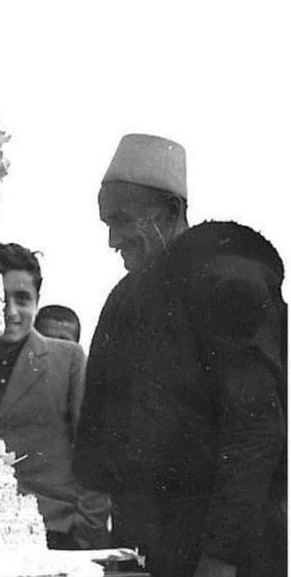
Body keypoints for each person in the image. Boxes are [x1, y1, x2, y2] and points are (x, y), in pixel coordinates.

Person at [73, 134, 286, 576]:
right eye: (105, 223)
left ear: (170, 212)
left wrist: (220, 558)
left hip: (224, 552)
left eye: (122, 219)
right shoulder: (125, 298)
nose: (112, 239)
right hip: (146, 543)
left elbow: (254, 432)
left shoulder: (230, 279)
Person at [0, 243, 108, 549]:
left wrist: (85, 533)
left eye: (22, 299)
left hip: (55, 529)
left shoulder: (67, 358)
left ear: (37, 302)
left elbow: (94, 450)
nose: (10, 311)